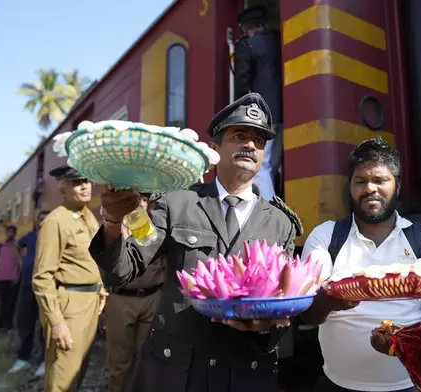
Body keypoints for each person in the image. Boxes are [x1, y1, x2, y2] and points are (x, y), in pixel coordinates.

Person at [89, 93, 302, 392]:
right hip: (178, 374)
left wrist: (269, 326)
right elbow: (124, 269)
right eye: (239, 135)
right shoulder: (176, 203)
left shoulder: (281, 224)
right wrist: (113, 223)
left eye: (259, 141)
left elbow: (285, 303)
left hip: (246, 373)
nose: (250, 145)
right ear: (214, 146)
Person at [300, 137, 421, 392]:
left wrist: (408, 340)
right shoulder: (326, 237)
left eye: (380, 180)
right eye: (360, 181)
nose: (370, 189)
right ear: (350, 187)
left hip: (409, 385)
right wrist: (331, 300)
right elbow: (308, 313)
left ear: (397, 186)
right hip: (338, 385)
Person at [32, 165, 108, 392]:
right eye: (76, 182)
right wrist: (56, 322)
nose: (84, 186)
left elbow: (92, 259)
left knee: (78, 373)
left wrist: (101, 287)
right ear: (62, 187)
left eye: (86, 180)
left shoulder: (89, 219)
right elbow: (42, 278)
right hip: (69, 306)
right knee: (62, 380)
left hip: (89, 303)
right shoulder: (56, 222)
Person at [104, 192, 166, 392]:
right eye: (138, 197)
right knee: (119, 364)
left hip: (151, 298)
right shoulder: (114, 221)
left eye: (146, 199)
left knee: (145, 360)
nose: (141, 202)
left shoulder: (150, 224)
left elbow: (156, 256)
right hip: (122, 299)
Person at [234, 4, 283, 201]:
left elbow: (242, 82)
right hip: (283, 113)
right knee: (274, 163)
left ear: (247, 28)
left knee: (262, 163)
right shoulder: (278, 42)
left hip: (262, 113)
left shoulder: (247, 46)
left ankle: (271, 208)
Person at [7, 210, 50, 377]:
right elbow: (17, 246)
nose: (43, 221)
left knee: (45, 323)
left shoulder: (56, 236)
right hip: (27, 284)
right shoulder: (31, 236)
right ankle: (23, 358)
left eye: (46, 219)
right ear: (37, 221)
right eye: (41, 219)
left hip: (46, 286)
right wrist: (21, 261)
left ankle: (43, 361)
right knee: (25, 320)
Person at [0, 224, 22, 332]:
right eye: (8, 232)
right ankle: (0, 325)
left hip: (12, 278)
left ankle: (8, 325)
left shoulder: (17, 246)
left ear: (15, 234)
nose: (10, 234)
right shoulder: (0, 246)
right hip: (0, 278)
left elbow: (20, 262)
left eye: (12, 232)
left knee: (11, 303)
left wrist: (18, 276)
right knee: (1, 302)